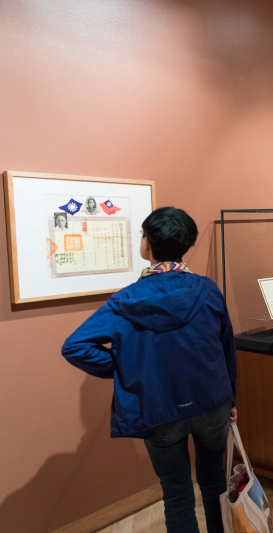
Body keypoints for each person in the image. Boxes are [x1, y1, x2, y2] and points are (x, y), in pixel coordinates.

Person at [61, 207, 236, 533]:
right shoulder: (208, 289)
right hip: (212, 403)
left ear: (148, 245)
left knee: (177, 496)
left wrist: (124, 368)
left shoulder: (126, 300)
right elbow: (226, 347)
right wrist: (232, 399)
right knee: (215, 483)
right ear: (186, 244)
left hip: (158, 410)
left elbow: (74, 346)